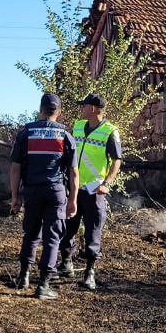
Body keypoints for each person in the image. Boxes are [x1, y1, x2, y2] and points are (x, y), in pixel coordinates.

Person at [9, 93, 78, 299]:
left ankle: (23, 277)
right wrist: (73, 200)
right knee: (52, 238)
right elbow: (74, 173)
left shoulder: (26, 133)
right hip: (55, 191)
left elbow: (15, 168)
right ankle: (44, 285)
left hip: (32, 191)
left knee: (30, 233)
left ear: (39, 110)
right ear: (59, 112)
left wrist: (15, 196)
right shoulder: (66, 136)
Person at [57, 93, 123, 291]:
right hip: (73, 187)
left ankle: (89, 272)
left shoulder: (110, 131)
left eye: (84, 106)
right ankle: (66, 262)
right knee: (68, 226)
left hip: (95, 190)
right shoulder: (77, 126)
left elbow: (117, 160)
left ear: (93, 109)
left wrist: (107, 183)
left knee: (93, 231)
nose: (81, 109)